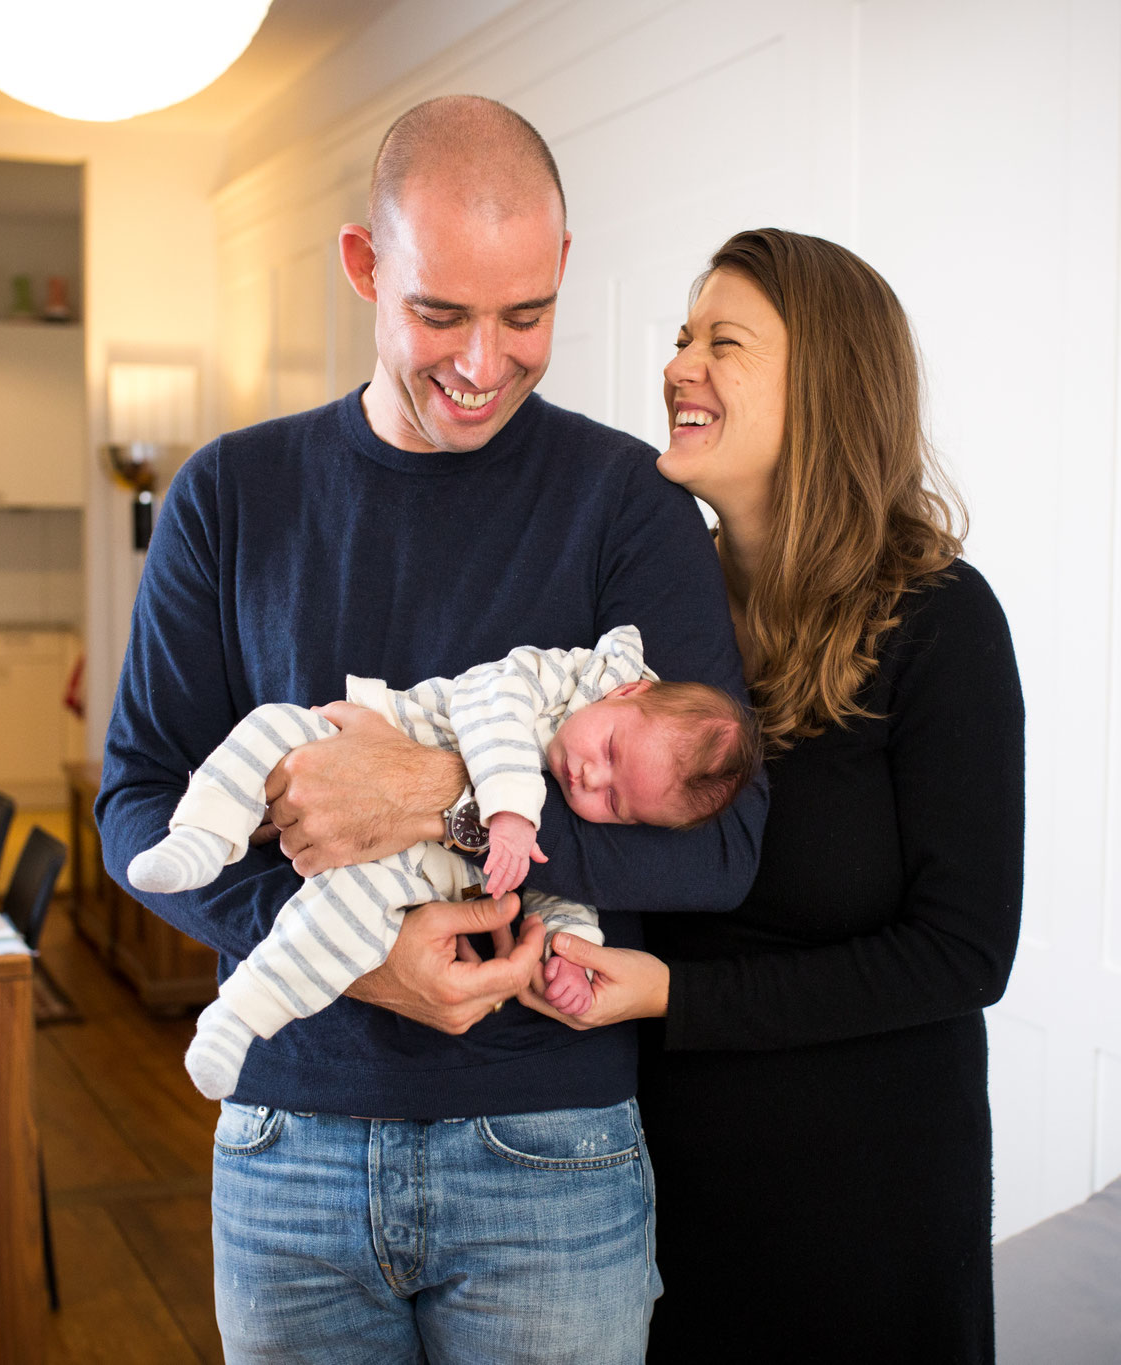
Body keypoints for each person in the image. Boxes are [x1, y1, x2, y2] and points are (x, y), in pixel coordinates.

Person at [96, 96, 766, 1364]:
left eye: (526, 317)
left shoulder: (629, 506)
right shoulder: (228, 497)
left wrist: (446, 802)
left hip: (549, 1156)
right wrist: (350, 959)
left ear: (563, 265)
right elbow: (136, 800)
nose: (482, 363)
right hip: (287, 1137)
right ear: (364, 265)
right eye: (438, 314)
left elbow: (718, 848)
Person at [522, 228, 1025, 1361]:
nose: (677, 365)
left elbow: (961, 955)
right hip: (651, 1189)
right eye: (681, 335)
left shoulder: (939, 623)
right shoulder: (648, 621)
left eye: (723, 340)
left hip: (863, 1206)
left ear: (830, 387)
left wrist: (672, 999)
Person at [125, 624, 759, 1098]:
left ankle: (238, 1019)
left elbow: (560, 891)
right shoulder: (565, 677)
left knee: (345, 917)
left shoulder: (583, 779)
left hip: (412, 870)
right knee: (274, 728)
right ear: (627, 690)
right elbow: (488, 699)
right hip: (359, 739)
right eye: (612, 749)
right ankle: (204, 834)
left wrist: (568, 954)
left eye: (616, 803)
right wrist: (508, 810)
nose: (591, 777)